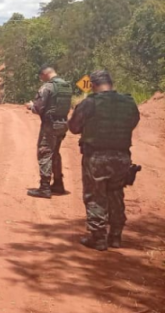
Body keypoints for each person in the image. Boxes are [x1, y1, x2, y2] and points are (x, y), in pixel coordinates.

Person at [68, 70, 140, 251]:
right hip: (122, 157)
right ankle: (115, 236)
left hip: (96, 157)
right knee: (116, 194)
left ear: (92, 85)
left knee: (95, 196)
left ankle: (98, 238)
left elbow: (74, 128)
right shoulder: (129, 102)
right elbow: (133, 122)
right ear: (111, 83)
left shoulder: (89, 103)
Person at [25, 66, 73, 198]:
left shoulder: (48, 87)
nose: (41, 79)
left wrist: (30, 106)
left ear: (45, 74)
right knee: (55, 153)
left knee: (45, 152)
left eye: (41, 76)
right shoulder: (66, 86)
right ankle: (58, 183)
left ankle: (44, 187)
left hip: (50, 125)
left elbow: (38, 108)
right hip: (63, 123)